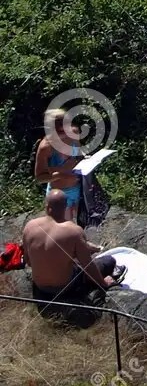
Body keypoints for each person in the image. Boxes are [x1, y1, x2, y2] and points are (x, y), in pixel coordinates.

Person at [23, 192, 121, 320]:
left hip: (40, 287)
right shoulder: (74, 231)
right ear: (65, 207)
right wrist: (103, 283)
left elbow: (28, 261)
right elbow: (88, 266)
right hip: (65, 287)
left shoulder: (30, 226)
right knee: (108, 261)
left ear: (46, 206)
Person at [34, 110, 83, 222]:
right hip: (58, 194)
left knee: (78, 224)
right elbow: (40, 177)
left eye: (64, 122)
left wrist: (86, 159)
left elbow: (79, 154)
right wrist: (61, 174)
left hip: (78, 188)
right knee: (60, 228)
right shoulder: (46, 147)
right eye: (57, 123)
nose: (61, 126)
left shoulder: (74, 133)